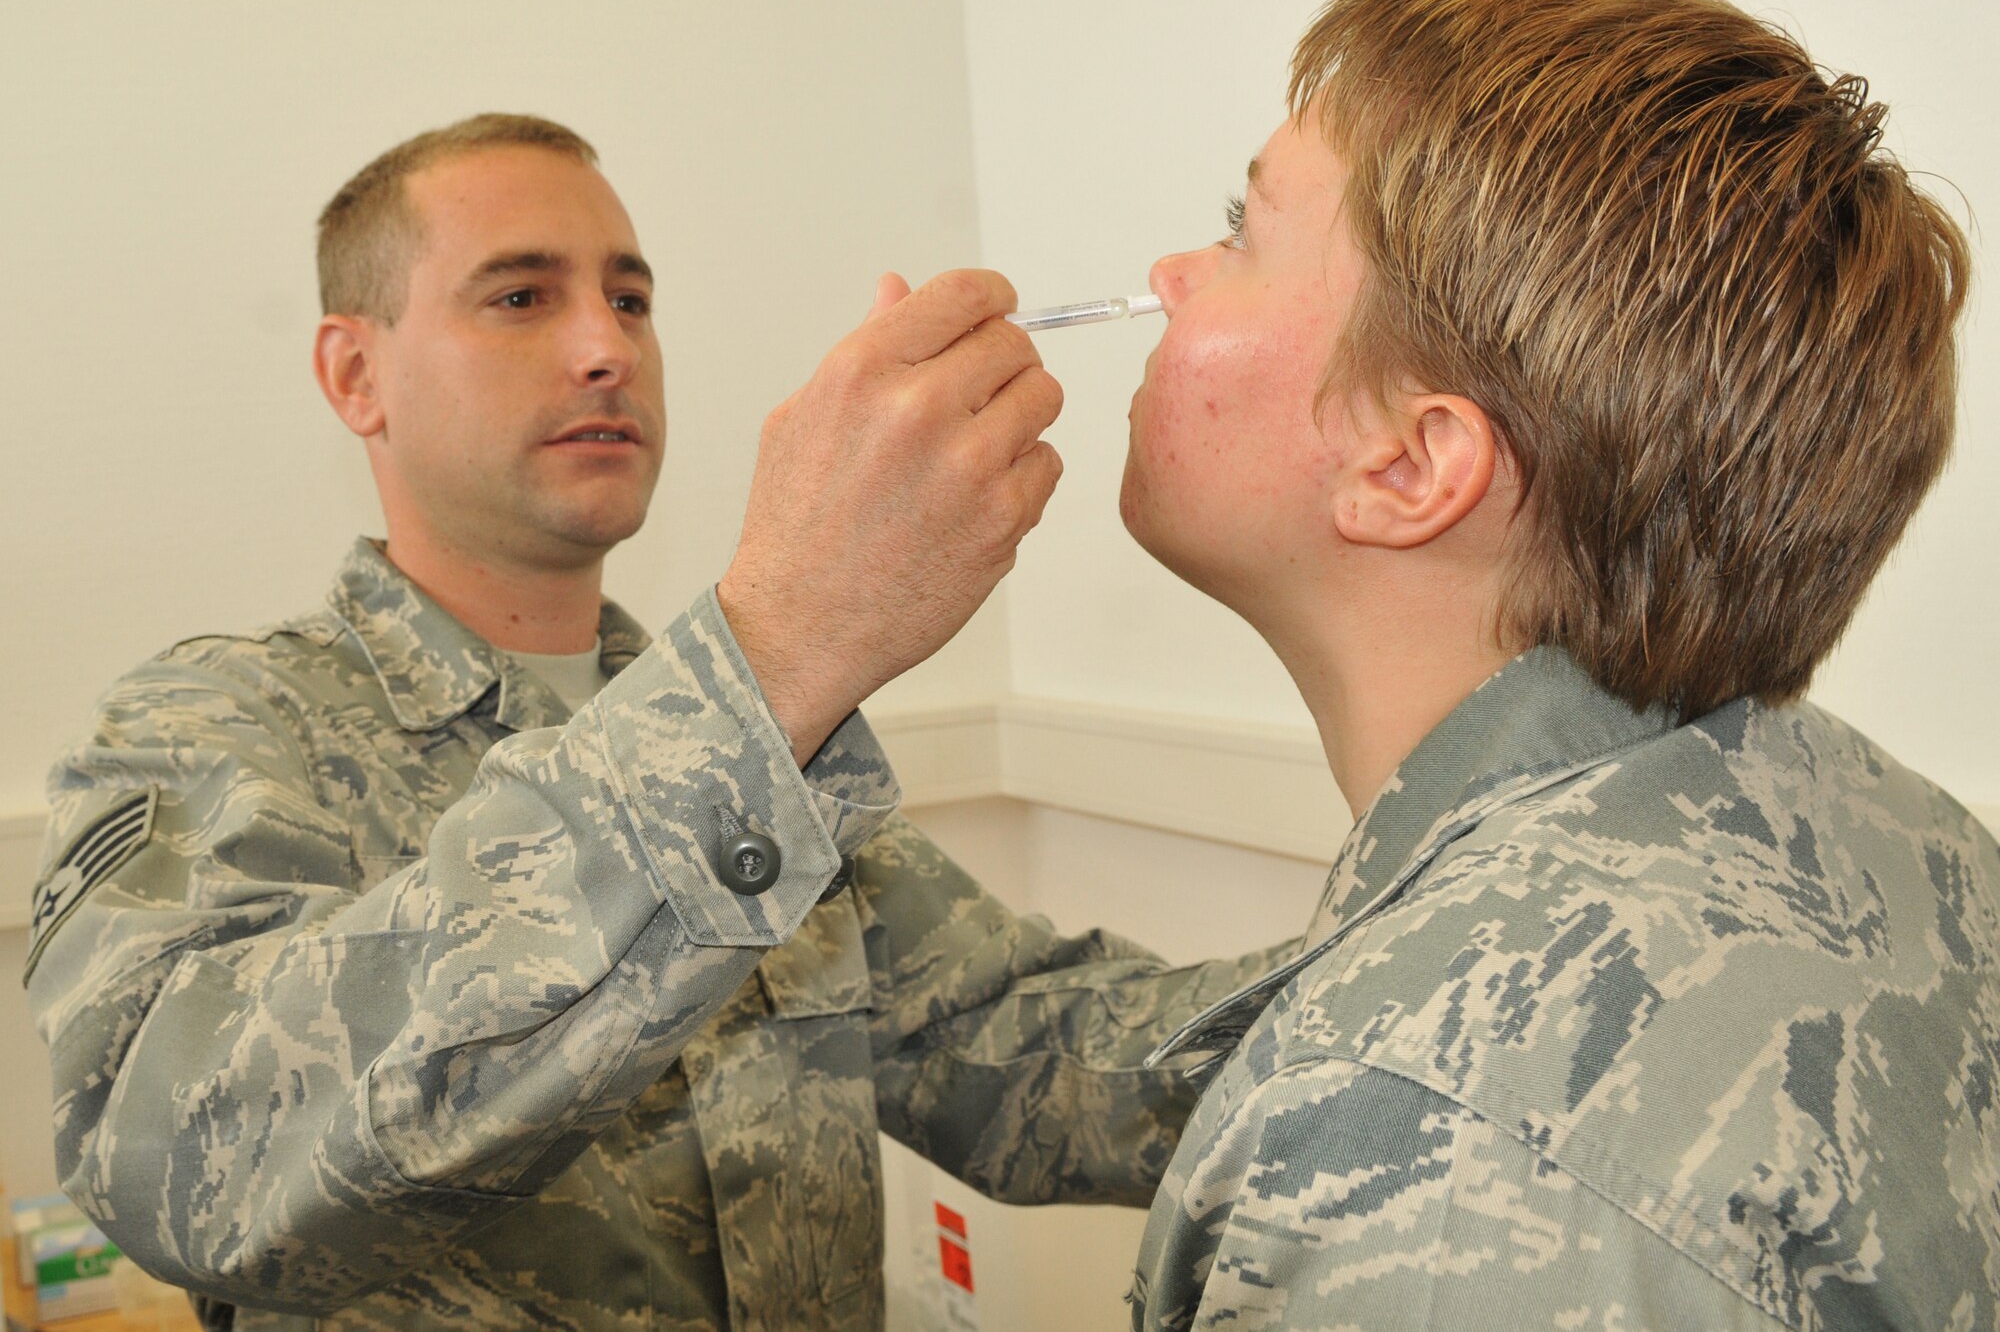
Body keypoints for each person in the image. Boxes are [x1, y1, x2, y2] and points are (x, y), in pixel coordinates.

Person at [26, 115, 1285, 1331]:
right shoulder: (219, 731)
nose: (605, 349)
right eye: (521, 297)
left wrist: (1422, 969)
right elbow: (194, 1169)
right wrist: (773, 650)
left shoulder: (756, 736)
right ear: (357, 374)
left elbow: (1030, 1055)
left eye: (630, 300)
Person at [1118, 0, 1997, 1330]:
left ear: (1415, 465)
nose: (1171, 277)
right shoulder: (1893, 830)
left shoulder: (1433, 1142)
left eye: (1243, 229)